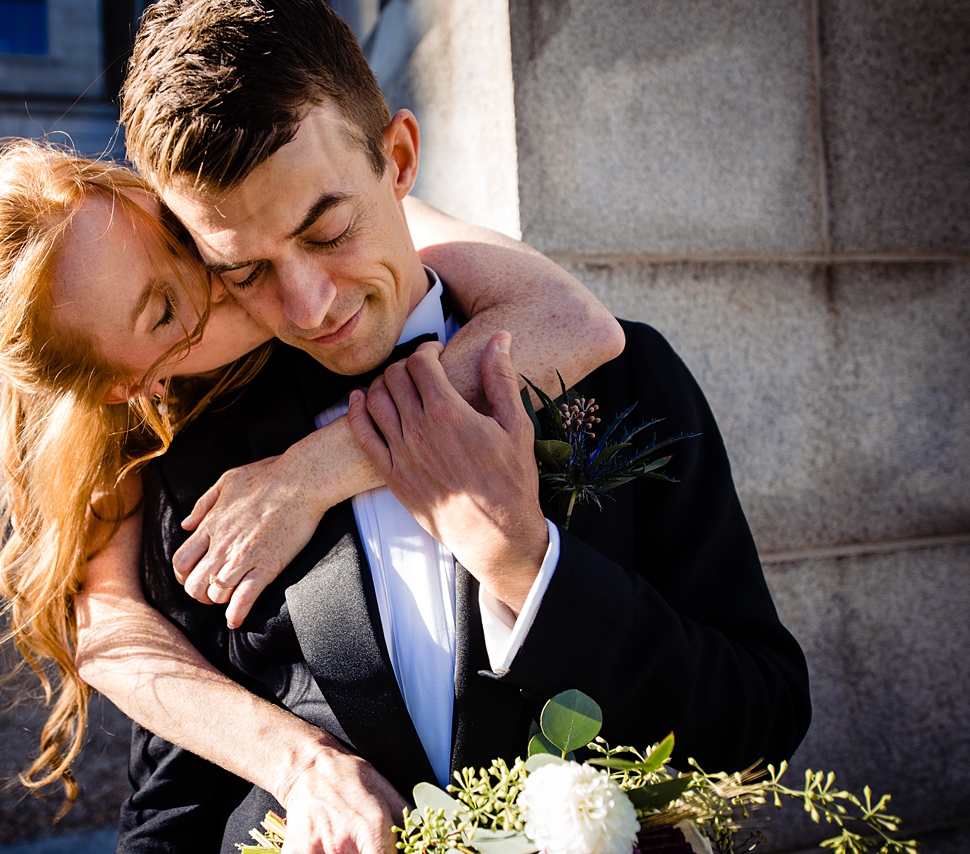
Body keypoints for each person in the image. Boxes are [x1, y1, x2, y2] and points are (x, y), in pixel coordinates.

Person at [78, 1, 813, 852]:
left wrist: (527, 567)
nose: (309, 306)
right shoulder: (207, 464)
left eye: (330, 230)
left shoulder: (622, 379)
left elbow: (761, 716)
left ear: (398, 159)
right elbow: (175, 805)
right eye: (243, 272)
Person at [0, 135, 624, 821]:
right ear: (133, 385)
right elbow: (109, 630)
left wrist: (312, 472)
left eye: (176, 238)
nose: (215, 276)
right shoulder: (104, 417)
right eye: (164, 313)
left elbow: (573, 323)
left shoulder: (278, 229)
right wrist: (300, 764)